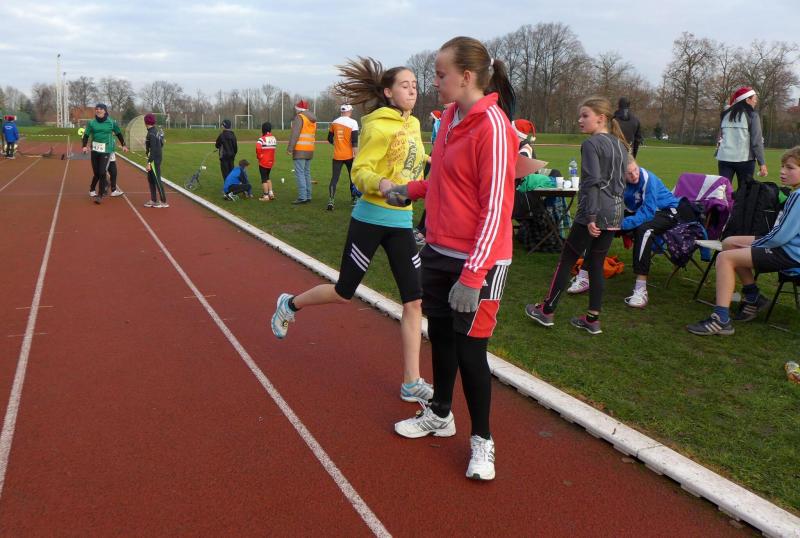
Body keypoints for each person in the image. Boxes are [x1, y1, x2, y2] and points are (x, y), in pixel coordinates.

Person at [386, 36, 517, 481]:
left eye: (441, 75)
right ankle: (441, 413)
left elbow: (495, 207)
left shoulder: (494, 127)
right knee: (440, 336)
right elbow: (444, 180)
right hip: (439, 250)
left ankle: (483, 441)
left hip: (479, 261)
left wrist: (474, 275)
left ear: (466, 76)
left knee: (471, 352)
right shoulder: (448, 120)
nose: (434, 82)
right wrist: (411, 190)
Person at [270, 57, 433, 406]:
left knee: (414, 300)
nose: (412, 91)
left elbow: (413, 164)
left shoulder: (415, 124)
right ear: (388, 92)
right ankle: (290, 304)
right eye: (405, 85)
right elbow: (360, 171)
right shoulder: (376, 126)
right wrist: (382, 183)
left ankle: (411, 380)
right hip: (371, 220)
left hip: (402, 223)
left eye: (415, 86)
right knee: (345, 291)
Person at [525, 96, 629, 335]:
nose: (580, 120)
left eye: (585, 115)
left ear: (600, 118)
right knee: (595, 264)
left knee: (567, 259)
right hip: (615, 213)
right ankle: (593, 319)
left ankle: (547, 310)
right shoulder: (621, 145)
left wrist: (591, 216)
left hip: (594, 212)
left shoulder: (592, 144)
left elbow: (592, 181)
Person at [687, 146, 800, 335]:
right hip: (788, 246)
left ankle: (721, 320)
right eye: (782, 166)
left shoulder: (798, 196)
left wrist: (755, 245)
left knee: (725, 258)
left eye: (790, 167)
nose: (782, 171)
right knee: (729, 242)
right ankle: (753, 297)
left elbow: (781, 236)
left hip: (790, 253)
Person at [570, 157, 696, 307]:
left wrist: (620, 224)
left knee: (644, 230)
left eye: (635, 170)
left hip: (667, 211)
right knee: (601, 225)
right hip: (640, 211)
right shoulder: (616, 181)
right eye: (629, 173)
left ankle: (641, 289)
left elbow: (648, 212)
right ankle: (584, 276)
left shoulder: (648, 179)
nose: (634, 175)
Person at [716, 86, 768, 189]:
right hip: (745, 160)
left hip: (724, 159)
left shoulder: (725, 114)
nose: (756, 101)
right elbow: (756, 142)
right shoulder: (753, 115)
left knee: (723, 191)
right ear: (747, 100)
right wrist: (762, 163)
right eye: (754, 99)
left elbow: (720, 137)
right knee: (745, 192)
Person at [81, 103, 128, 204]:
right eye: (97, 109)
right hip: (95, 150)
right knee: (97, 173)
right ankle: (94, 188)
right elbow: (86, 135)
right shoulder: (91, 123)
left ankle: (100, 194)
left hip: (106, 150)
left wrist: (124, 145)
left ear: (105, 110)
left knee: (102, 172)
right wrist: (84, 146)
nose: (98, 110)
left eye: (101, 109)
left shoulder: (111, 122)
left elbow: (119, 133)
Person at [326, 104, 360, 210]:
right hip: (350, 155)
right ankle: (354, 199)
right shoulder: (353, 122)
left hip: (337, 155)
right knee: (352, 178)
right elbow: (354, 142)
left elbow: (329, 138)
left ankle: (331, 201)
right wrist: (356, 155)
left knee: (334, 178)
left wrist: (336, 144)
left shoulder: (334, 122)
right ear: (349, 111)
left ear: (342, 111)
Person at [287, 99, 317, 204]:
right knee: (306, 173)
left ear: (299, 109)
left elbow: (295, 134)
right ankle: (308, 196)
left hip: (300, 150)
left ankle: (302, 197)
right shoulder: (312, 119)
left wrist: (290, 149)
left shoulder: (299, 117)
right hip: (309, 149)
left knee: (300, 173)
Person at [144, 113, 168, 208]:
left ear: (146, 122)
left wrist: (149, 162)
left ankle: (163, 201)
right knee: (151, 179)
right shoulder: (155, 131)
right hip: (154, 158)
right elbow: (161, 144)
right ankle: (153, 200)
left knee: (157, 180)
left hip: (154, 159)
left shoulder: (152, 133)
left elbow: (154, 149)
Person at [256, 122, 277, 201]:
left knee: (264, 179)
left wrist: (259, 157)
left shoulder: (261, 139)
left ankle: (265, 196)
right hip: (271, 162)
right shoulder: (274, 138)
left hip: (263, 162)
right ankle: (271, 193)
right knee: (267, 177)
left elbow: (258, 148)